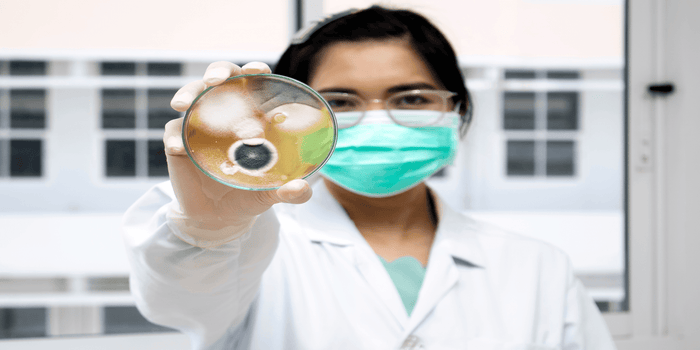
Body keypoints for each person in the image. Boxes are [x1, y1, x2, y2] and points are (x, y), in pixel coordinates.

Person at [122, 6, 616, 350]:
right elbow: (176, 297)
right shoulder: (244, 248)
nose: (378, 119)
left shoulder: (539, 269)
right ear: (289, 117)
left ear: (456, 110)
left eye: (413, 98)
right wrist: (206, 233)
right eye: (338, 103)